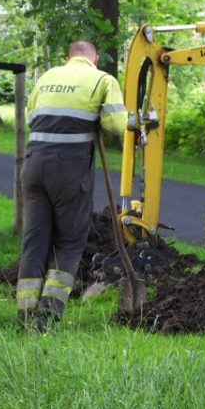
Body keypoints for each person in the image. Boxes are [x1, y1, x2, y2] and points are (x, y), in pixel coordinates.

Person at [16, 40, 127, 332]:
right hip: (69, 169)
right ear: (96, 59)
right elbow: (116, 126)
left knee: (35, 240)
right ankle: (47, 316)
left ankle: (26, 312)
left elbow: (32, 117)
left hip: (33, 165)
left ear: (69, 57)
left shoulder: (48, 77)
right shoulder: (102, 79)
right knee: (69, 242)